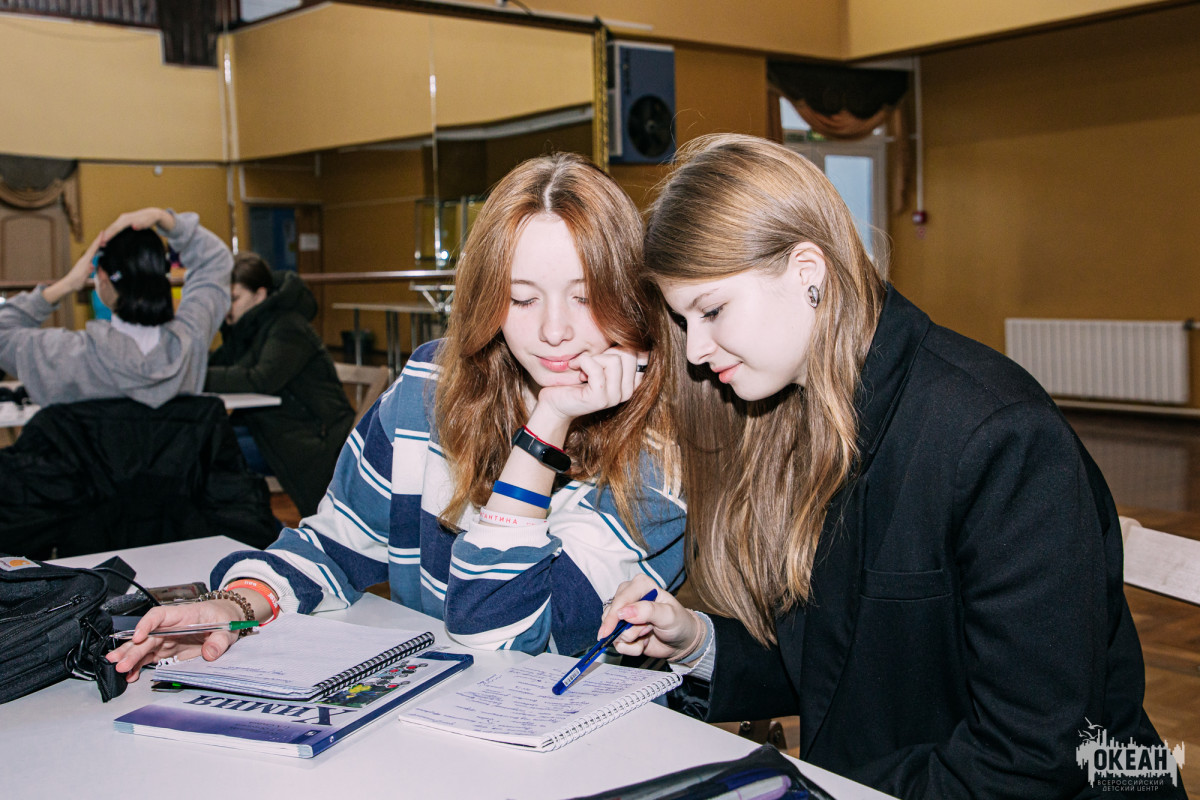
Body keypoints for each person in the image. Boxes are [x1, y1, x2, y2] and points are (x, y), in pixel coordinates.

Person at [597, 134, 1182, 799]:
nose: (695, 351)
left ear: (808, 272)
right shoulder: (798, 414)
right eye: (684, 321)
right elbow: (847, 667)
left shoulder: (999, 437)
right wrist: (696, 642)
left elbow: (1034, 753)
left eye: (712, 311)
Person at [107, 152, 686, 680]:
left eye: (584, 297)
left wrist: (545, 429)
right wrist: (234, 605)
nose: (553, 330)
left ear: (628, 296)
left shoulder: (664, 450)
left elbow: (502, 638)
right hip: (428, 716)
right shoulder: (429, 388)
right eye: (521, 298)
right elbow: (334, 545)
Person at [0, 208, 230, 408]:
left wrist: (66, 284)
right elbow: (216, 261)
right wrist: (164, 218)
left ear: (102, 277)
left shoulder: (70, 355)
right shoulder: (190, 342)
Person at [205, 253, 355, 516]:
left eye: (234, 298)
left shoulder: (287, 327)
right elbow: (224, 367)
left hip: (315, 437)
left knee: (215, 453)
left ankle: (260, 531)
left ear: (260, 294)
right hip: (277, 426)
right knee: (208, 440)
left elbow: (260, 379)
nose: (227, 307)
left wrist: (195, 376)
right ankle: (259, 529)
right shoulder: (251, 327)